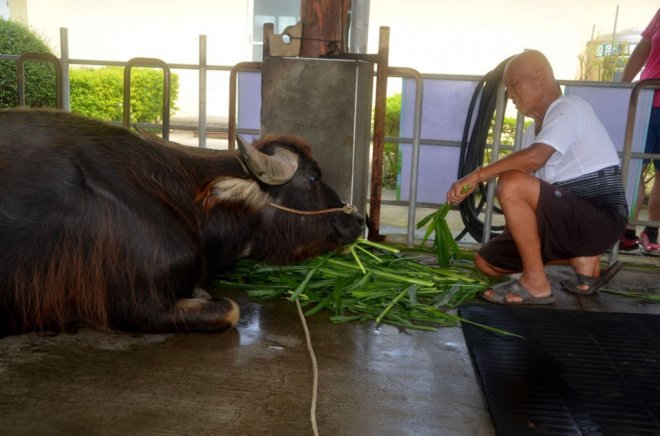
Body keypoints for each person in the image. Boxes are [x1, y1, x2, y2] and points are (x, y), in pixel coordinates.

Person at [446, 49, 627, 304]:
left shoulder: (569, 107)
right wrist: (513, 235)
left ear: (540, 78)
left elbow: (534, 160)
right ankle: (582, 258)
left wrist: (476, 177)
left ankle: (536, 283)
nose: (510, 95)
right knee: (486, 261)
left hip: (600, 219)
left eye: (514, 84)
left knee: (511, 182)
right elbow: (524, 199)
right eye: (507, 89)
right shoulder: (532, 132)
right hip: (565, 224)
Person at [619, 8, 660, 256]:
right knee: (634, 169)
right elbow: (642, 49)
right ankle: (627, 232)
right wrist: (622, 86)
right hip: (646, 101)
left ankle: (652, 232)